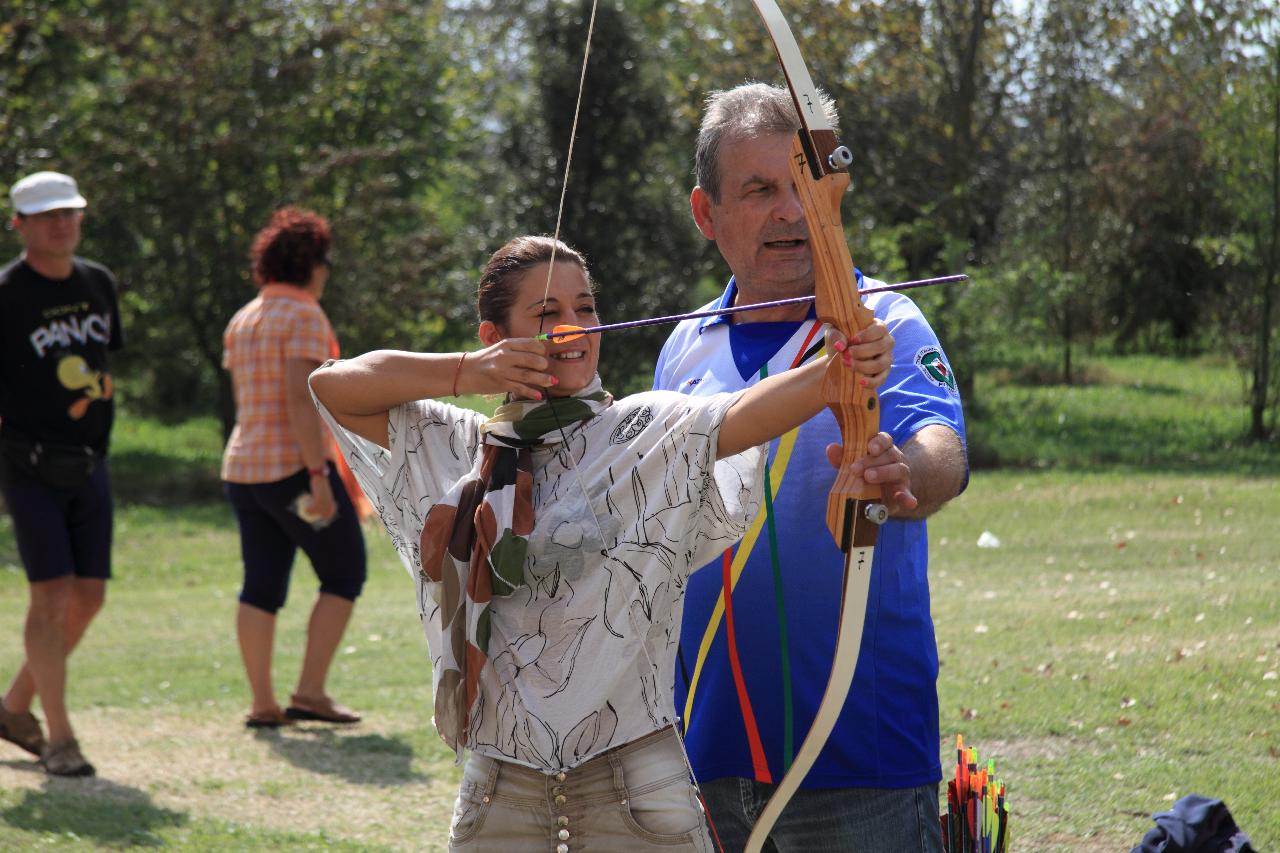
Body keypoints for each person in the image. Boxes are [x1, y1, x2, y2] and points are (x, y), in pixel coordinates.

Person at [309, 234, 894, 851]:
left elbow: (745, 413)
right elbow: (333, 385)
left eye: (584, 309)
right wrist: (467, 372)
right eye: (545, 315)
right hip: (497, 797)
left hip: (638, 794)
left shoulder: (646, 432)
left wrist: (840, 367)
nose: (572, 328)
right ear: (494, 337)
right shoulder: (456, 445)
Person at [653, 83, 969, 852]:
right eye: (759, 190)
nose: (791, 212)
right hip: (701, 751)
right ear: (707, 214)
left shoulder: (880, 318)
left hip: (859, 755)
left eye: (804, 188)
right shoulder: (682, 345)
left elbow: (942, 449)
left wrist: (898, 482)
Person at [221, 206, 369, 729]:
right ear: (312, 263)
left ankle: (262, 704)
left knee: (260, 584)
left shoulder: (244, 317)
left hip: (243, 469)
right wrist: (317, 478)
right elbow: (300, 401)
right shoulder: (305, 316)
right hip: (293, 470)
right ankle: (308, 692)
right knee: (345, 572)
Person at [0, 171, 122, 777]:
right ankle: (59, 738)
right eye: (47, 215)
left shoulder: (98, 281)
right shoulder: (7, 294)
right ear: (18, 224)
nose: (62, 223)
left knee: (90, 597)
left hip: (91, 465)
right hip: (30, 465)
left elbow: (101, 367)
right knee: (49, 596)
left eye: (69, 212)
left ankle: (13, 707)